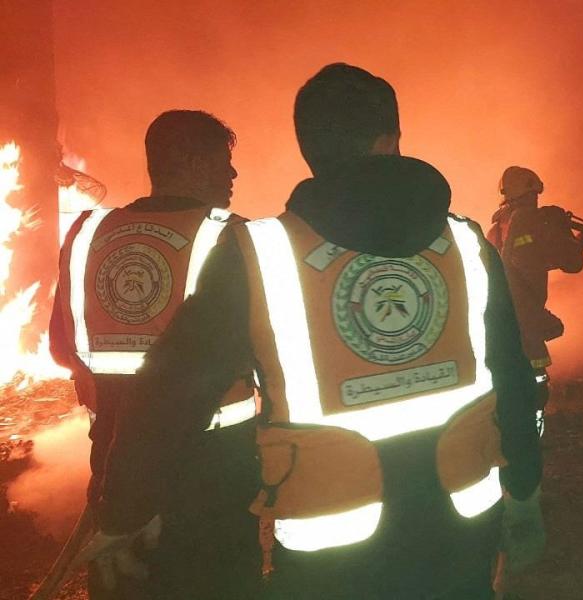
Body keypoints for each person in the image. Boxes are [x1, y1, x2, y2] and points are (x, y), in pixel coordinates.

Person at [84, 64, 544, 600]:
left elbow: (170, 394)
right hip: (461, 525)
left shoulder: (258, 254)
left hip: (333, 552)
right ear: (390, 139)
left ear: (309, 148)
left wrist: (124, 513)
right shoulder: (466, 242)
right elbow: (510, 372)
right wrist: (525, 490)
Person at [51, 110, 260, 599]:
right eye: (222, 161)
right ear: (190, 161)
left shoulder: (87, 234)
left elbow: (63, 349)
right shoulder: (236, 238)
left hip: (114, 462)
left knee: (127, 582)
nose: (232, 175)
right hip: (211, 473)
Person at [487, 167, 583, 430]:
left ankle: (506, 427)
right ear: (531, 191)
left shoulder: (498, 225)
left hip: (501, 313)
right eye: (535, 193)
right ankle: (529, 433)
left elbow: (524, 259)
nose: (537, 199)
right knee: (536, 378)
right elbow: (571, 262)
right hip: (525, 315)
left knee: (506, 373)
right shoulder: (532, 221)